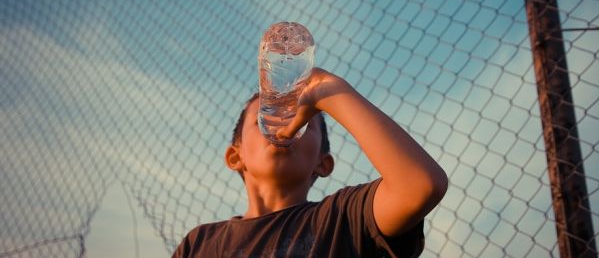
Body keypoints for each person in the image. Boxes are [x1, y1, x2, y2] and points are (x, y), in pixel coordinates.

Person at [172, 68, 448, 257]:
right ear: (236, 156)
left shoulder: (343, 219)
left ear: (323, 163)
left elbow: (420, 186)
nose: (283, 124)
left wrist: (331, 92)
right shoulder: (199, 244)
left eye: (301, 119)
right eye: (265, 115)